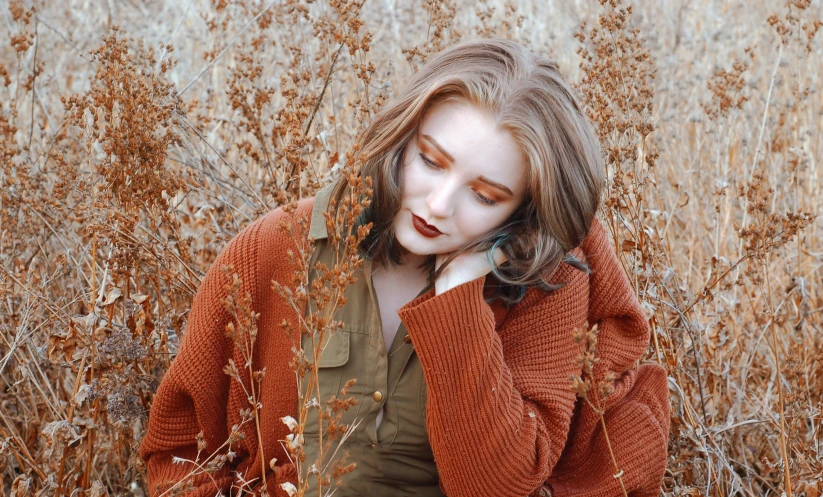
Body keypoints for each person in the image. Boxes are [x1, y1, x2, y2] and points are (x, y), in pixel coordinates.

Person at [140, 39, 669, 497]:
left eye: (484, 196)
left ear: (522, 210)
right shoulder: (275, 248)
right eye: (431, 161)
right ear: (403, 134)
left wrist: (460, 300)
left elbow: (494, 486)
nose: (438, 205)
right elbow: (179, 451)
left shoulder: (545, 288)